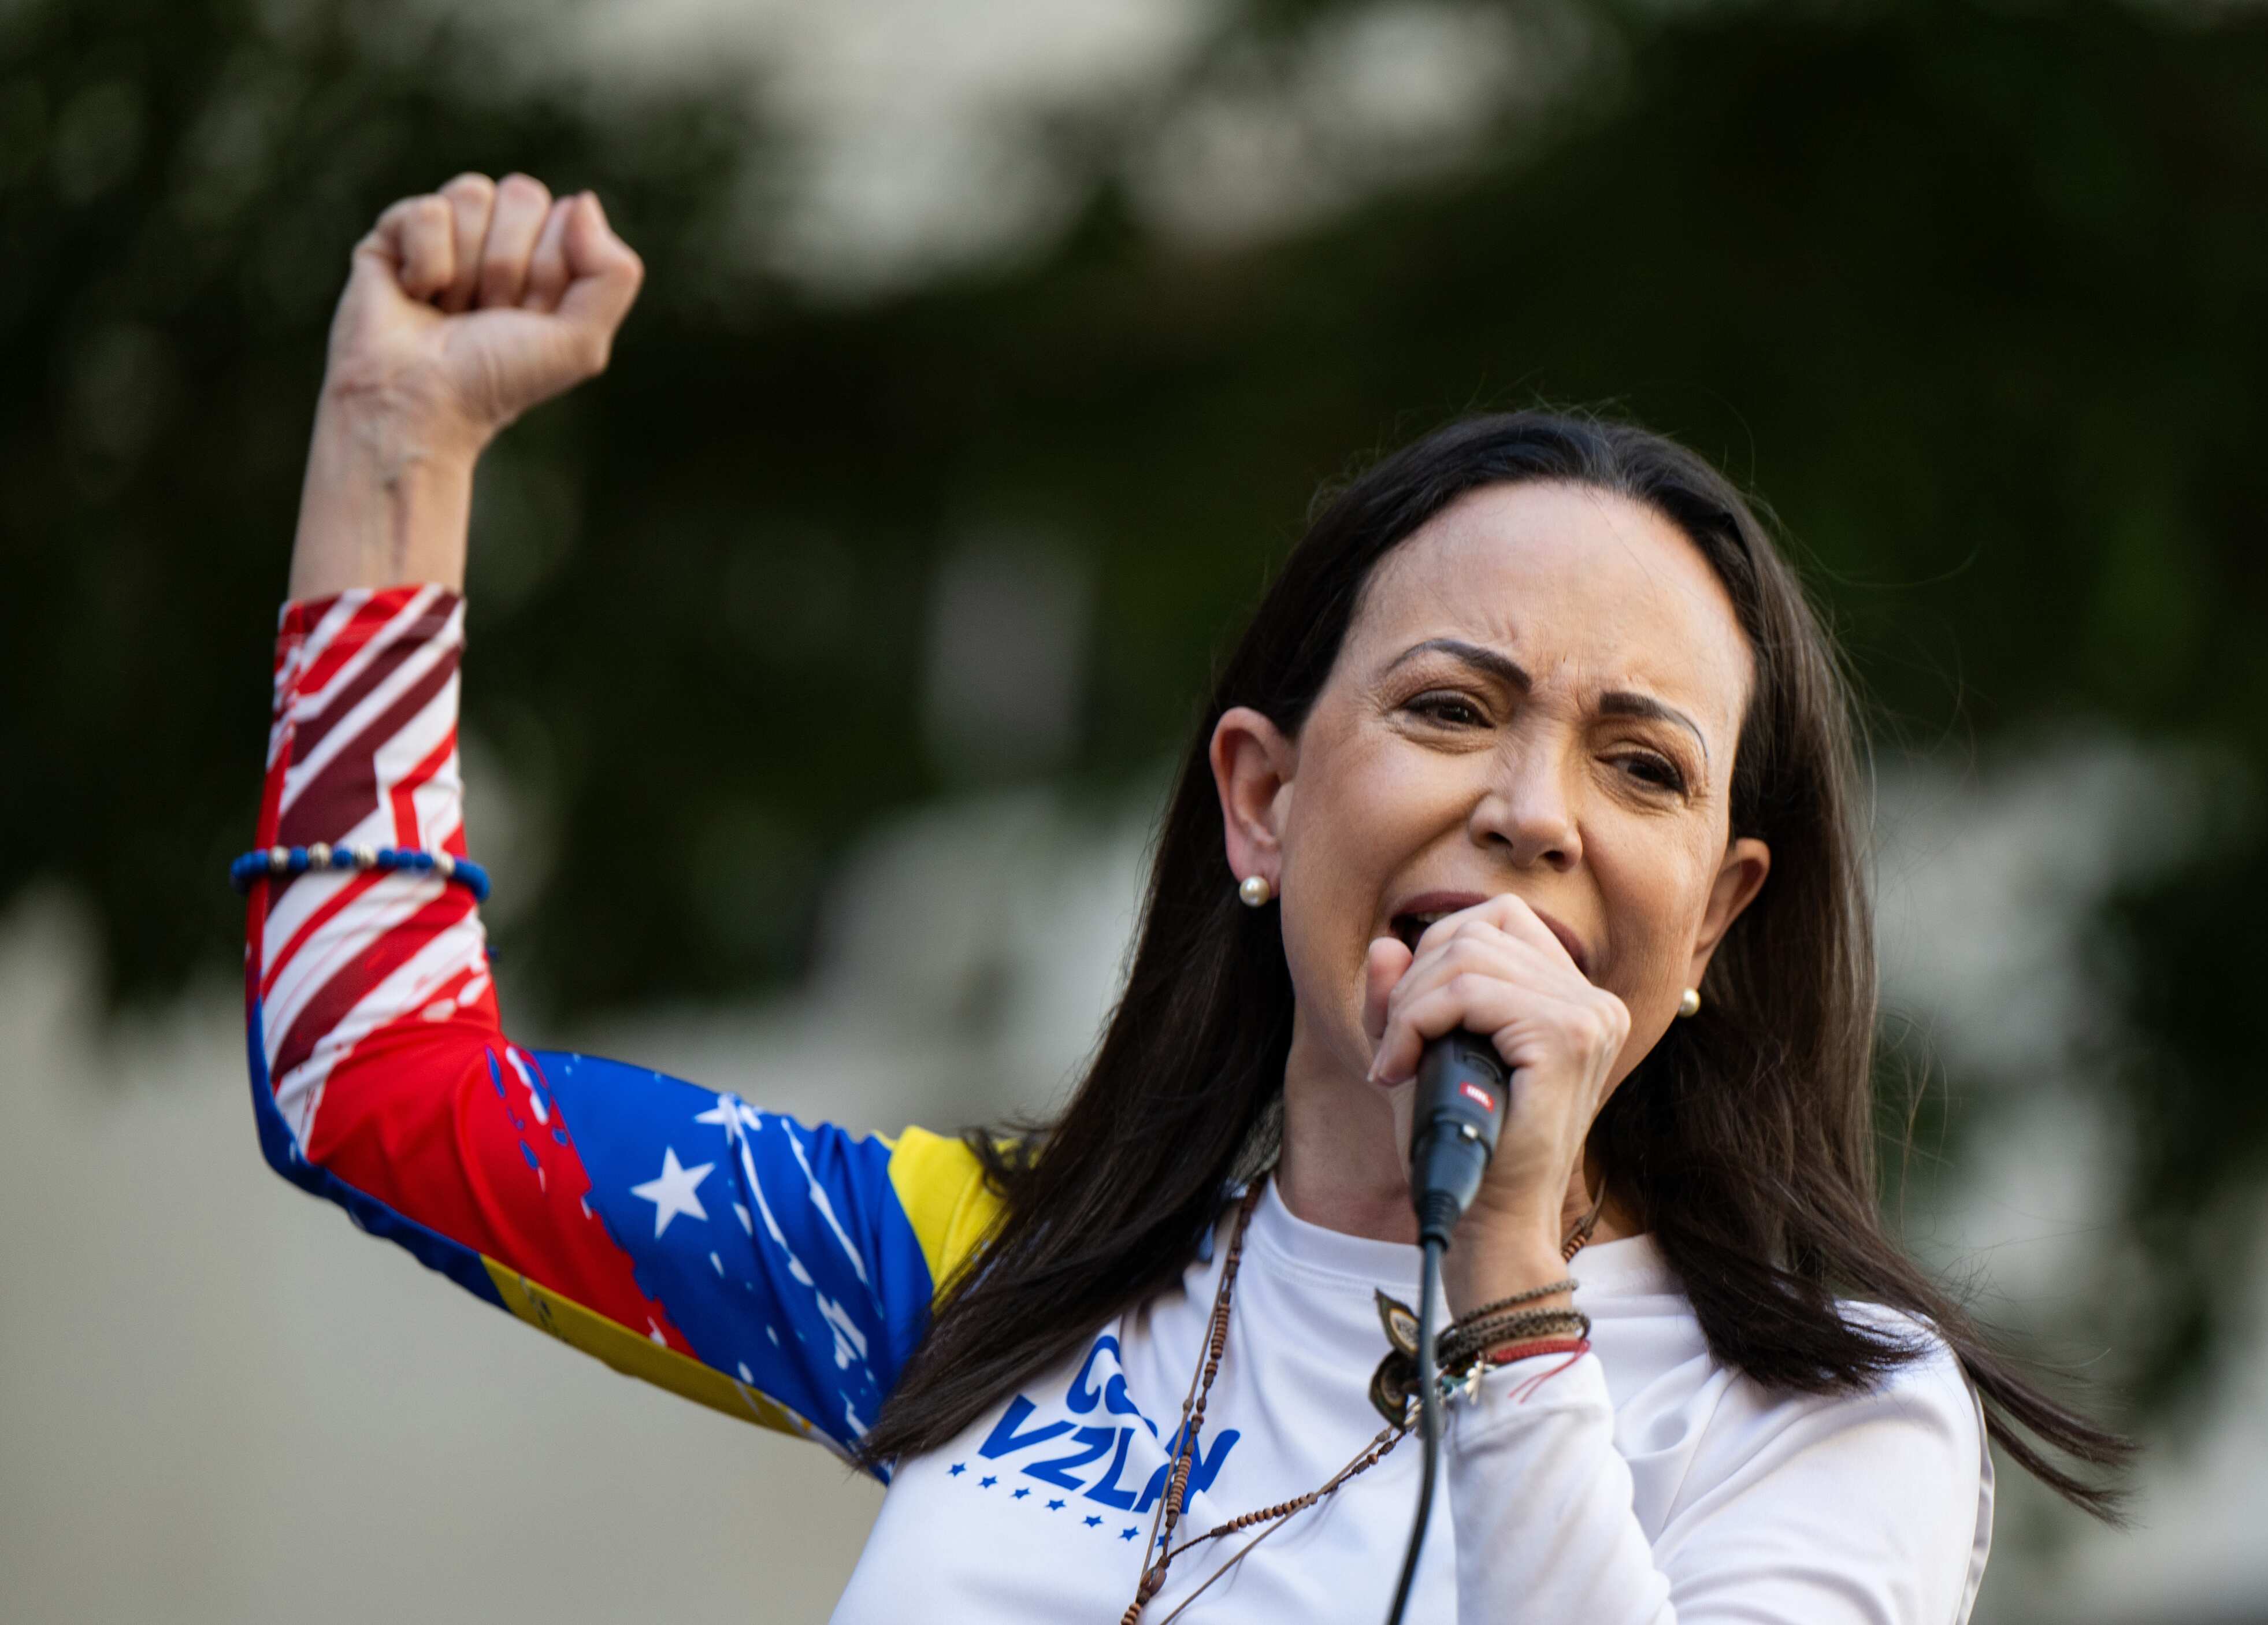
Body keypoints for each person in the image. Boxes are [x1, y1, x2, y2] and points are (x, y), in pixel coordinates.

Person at [242, 170, 2126, 1625]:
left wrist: (1510, 1280)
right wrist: (397, 451)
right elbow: (368, 1081)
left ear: (1713, 920)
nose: (1531, 809)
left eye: (1641, 763)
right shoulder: (1000, 1269)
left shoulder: (1829, 1410)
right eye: (1451, 707)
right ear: (1262, 798)